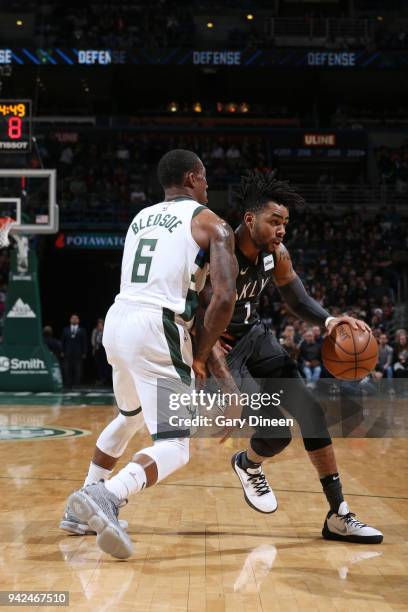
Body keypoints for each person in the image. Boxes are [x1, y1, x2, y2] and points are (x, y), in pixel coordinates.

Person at [62, 149, 237, 558]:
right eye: (205, 178)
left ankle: (79, 509)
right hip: (156, 327)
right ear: (193, 178)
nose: (208, 185)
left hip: (118, 320)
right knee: (176, 446)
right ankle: (110, 496)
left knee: (129, 417)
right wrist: (202, 355)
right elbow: (224, 299)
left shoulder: (140, 218)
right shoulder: (212, 223)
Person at [202, 171, 383, 544]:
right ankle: (248, 464)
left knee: (312, 413)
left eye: (285, 222)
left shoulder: (275, 254)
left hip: (254, 338)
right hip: (223, 353)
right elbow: (186, 301)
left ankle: (339, 514)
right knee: (275, 433)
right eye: (274, 221)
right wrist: (202, 342)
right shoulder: (218, 253)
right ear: (250, 219)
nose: (282, 229)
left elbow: (296, 298)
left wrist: (330, 320)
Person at [61, 314, 87, 388]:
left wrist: (84, 352)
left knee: (78, 370)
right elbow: (63, 341)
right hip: (67, 353)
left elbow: (84, 342)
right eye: (73, 318)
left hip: (78, 353)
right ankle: (68, 384)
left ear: (78, 320)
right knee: (67, 369)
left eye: (76, 318)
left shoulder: (82, 330)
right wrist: (62, 351)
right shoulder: (66, 329)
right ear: (70, 320)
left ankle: (77, 384)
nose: (74, 320)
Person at [91, 318, 111, 386]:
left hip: (105, 350)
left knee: (106, 365)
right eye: (98, 325)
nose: (99, 326)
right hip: (98, 350)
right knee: (99, 365)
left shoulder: (107, 330)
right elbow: (93, 340)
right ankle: (101, 379)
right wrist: (95, 346)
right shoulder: (95, 331)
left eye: (101, 325)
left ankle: (106, 379)